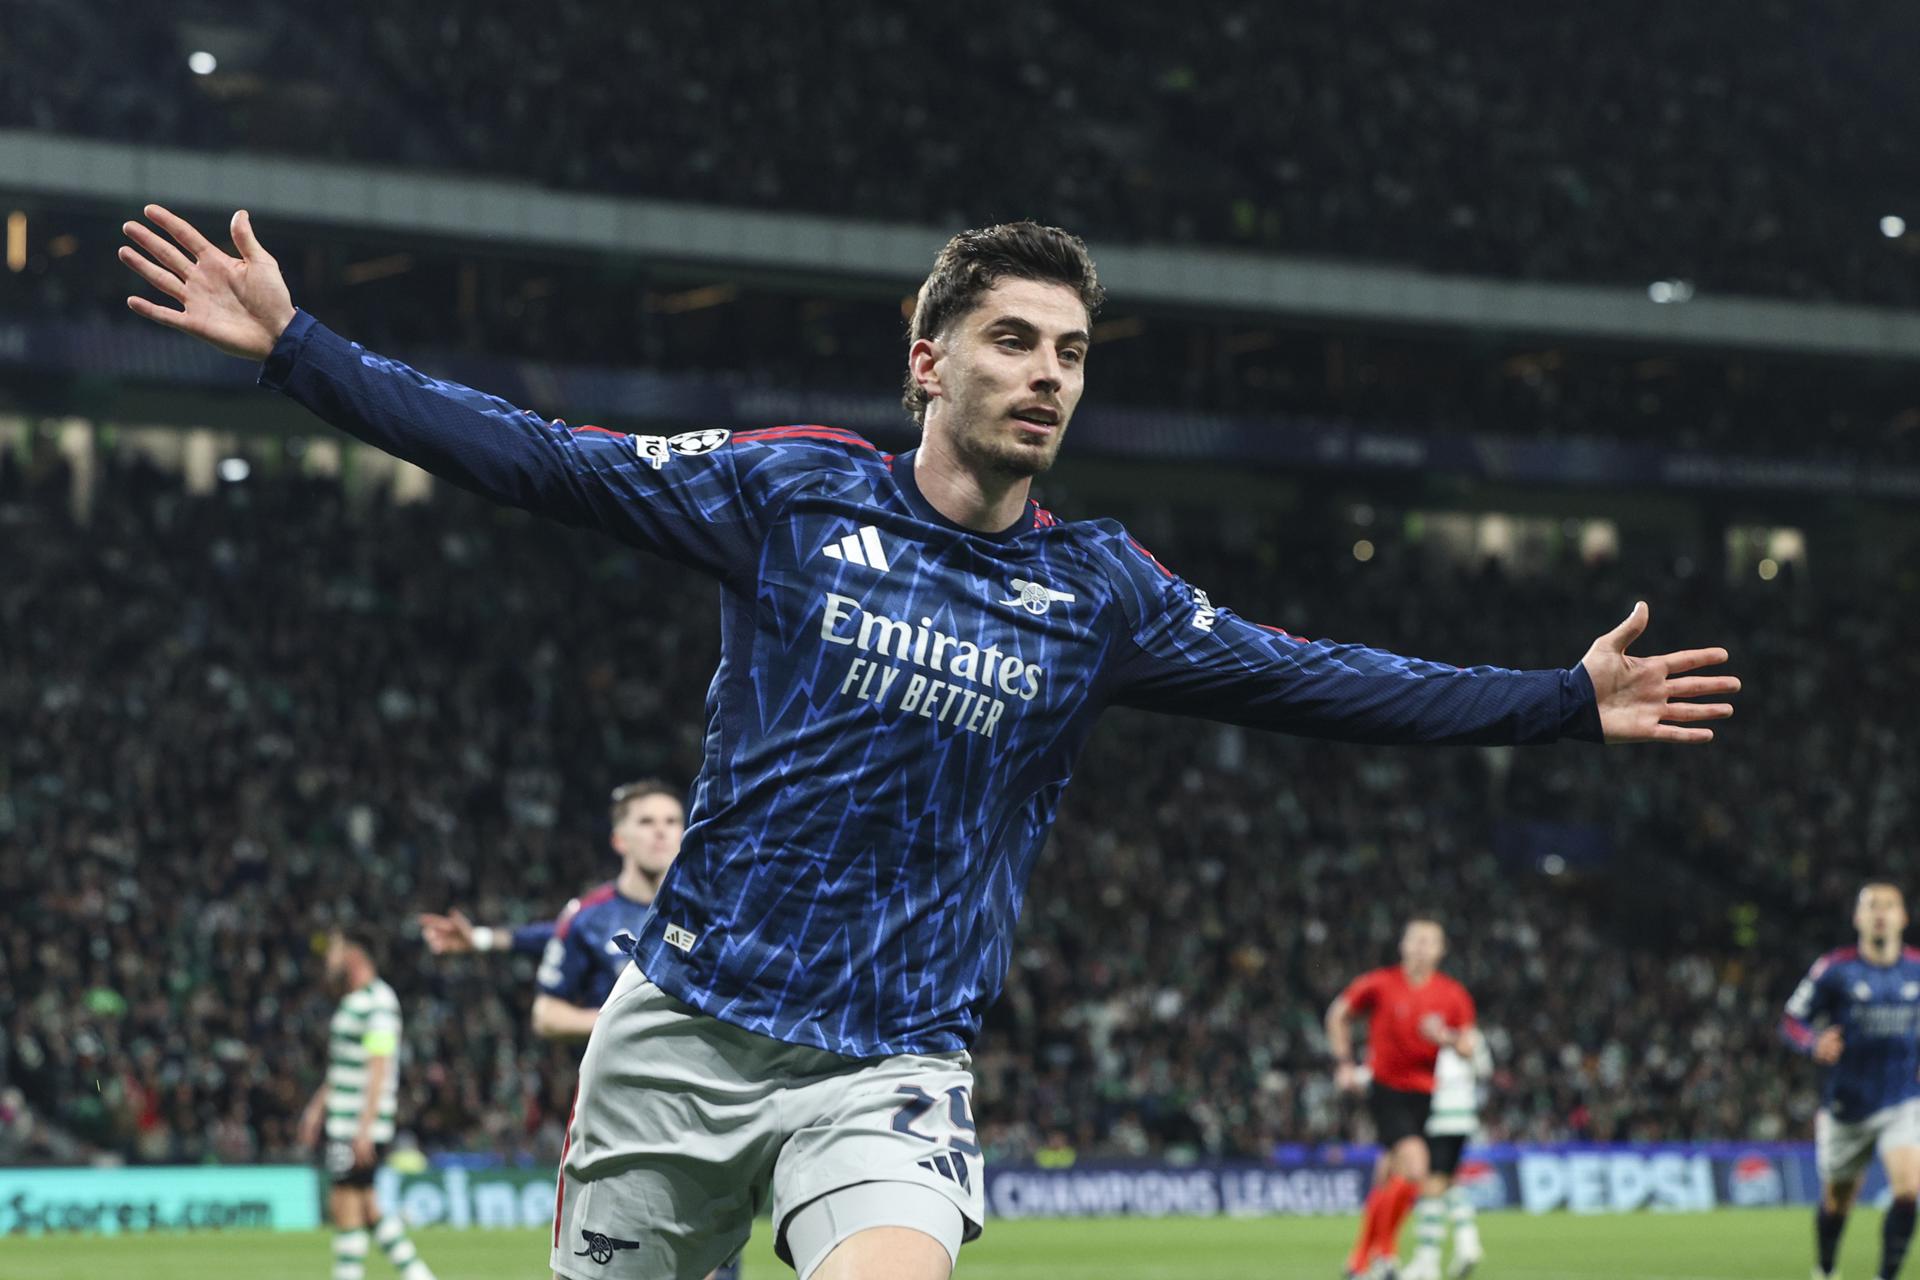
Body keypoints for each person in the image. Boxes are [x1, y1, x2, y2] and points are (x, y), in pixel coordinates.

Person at [120, 207, 1738, 1280]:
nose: (1048, 376)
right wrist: (301, 351)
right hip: (681, 1034)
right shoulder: (791, 494)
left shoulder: (1100, 593)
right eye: (1015, 340)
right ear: (930, 360)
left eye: (1072, 353)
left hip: (888, 1062)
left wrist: (1557, 696)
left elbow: (1322, 681)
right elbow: (544, 459)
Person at [1782, 883, 1920, 1280]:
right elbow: (1791, 1020)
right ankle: (1826, 1269)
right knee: (1838, 1201)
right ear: (1858, 918)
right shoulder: (1834, 969)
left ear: (1902, 917)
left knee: (1909, 1189)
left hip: (1903, 1098)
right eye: (1871, 906)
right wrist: (1813, 1043)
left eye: (1889, 906)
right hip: (1847, 1105)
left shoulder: (1916, 968)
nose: (1880, 913)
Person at [1327, 920, 1474, 1280]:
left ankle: (1360, 1261)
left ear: (1441, 950)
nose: (1422, 947)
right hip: (1386, 1088)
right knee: (1417, 1167)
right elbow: (1338, 1014)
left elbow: (1468, 1046)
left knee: (1390, 1175)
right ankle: (1385, 1254)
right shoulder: (1380, 983)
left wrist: (1445, 1038)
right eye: (1416, 940)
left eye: (1429, 942)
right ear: (1403, 945)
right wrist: (1344, 1063)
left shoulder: (1452, 994)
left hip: (1424, 1094)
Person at [298, 928, 437, 1280]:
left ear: (354, 956)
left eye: (334, 952)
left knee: (344, 1206)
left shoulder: (379, 1002)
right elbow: (345, 1065)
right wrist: (317, 1109)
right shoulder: (355, 1000)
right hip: (346, 1119)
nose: (328, 961)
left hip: (356, 1123)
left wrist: (365, 1127)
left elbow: (379, 1066)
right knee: (367, 1207)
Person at [1424, 1023, 1493, 1277]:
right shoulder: (1472, 1033)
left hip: (1438, 1113)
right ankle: (1467, 1241)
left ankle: (1427, 1260)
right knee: (1448, 1179)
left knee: (1432, 1182)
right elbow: (1485, 1069)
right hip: (1464, 1115)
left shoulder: (1430, 1030)